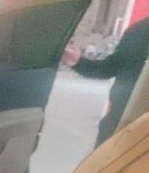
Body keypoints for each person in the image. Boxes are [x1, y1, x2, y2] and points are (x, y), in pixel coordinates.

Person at [62, 16, 149, 147]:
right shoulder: (139, 30)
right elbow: (111, 67)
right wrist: (79, 62)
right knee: (101, 159)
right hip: (118, 122)